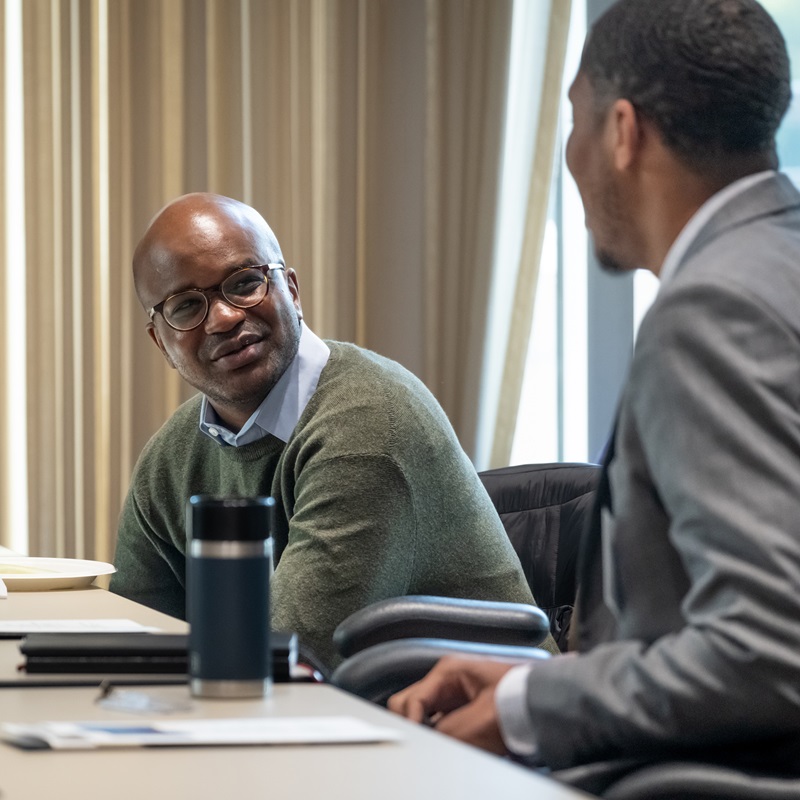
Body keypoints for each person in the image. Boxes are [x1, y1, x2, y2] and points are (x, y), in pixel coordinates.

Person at [389, 0, 800, 776]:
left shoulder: (713, 309)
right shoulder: (776, 265)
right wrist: (539, 680)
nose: (569, 156)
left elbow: (769, 650)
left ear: (621, 131)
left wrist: (526, 712)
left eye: (572, 121)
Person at [109, 192, 546, 671]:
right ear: (160, 340)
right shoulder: (170, 459)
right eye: (187, 306)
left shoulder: (370, 421)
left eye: (245, 282)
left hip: (474, 734)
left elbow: (289, 656)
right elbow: (138, 640)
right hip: (326, 725)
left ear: (291, 291)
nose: (225, 317)